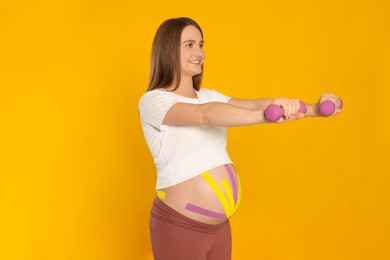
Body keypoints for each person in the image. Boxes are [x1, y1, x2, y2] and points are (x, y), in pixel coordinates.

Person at [138, 17, 342, 260]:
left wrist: (312, 109)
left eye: (201, 44)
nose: (199, 52)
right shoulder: (154, 101)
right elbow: (205, 115)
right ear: (168, 49)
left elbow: (255, 103)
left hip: (220, 228)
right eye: (189, 45)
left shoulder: (208, 95)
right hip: (180, 226)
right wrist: (264, 117)